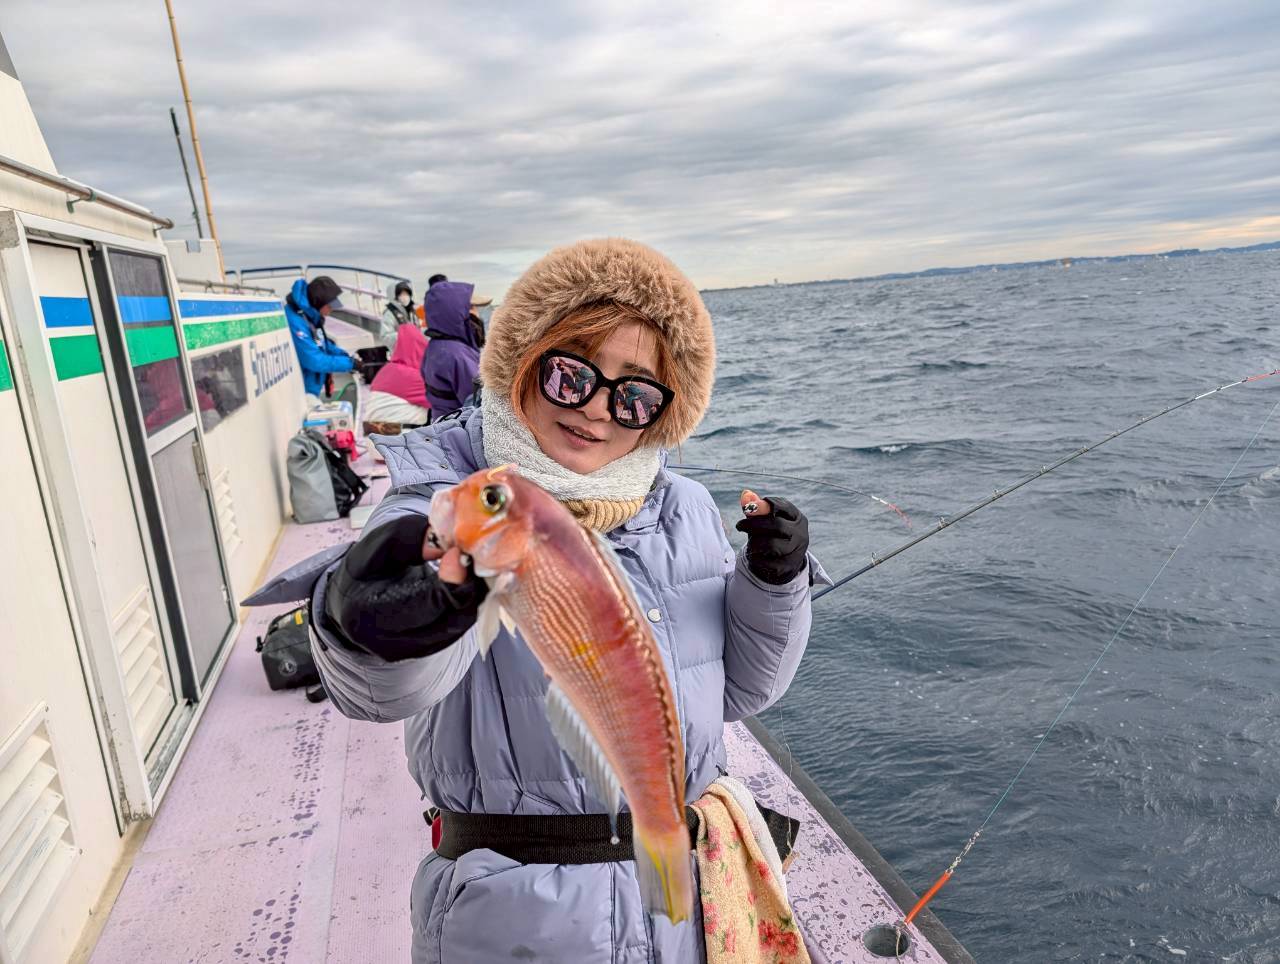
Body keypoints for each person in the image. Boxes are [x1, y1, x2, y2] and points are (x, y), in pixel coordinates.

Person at [307, 238, 824, 962]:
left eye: (635, 394)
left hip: (695, 904)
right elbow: (384, 691)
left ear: (664, 413)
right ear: (521, 360)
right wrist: (366, 624)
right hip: (523, 919)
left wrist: (774, 585)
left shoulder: (687, 509)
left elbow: (741, 689)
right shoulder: (446, 499)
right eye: (569, 375)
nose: (596, 411)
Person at [284, 275, 354, 399]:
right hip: (301, 393)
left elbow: (321, 343)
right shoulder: (296, 320)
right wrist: (350, 364)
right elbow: (314, 361)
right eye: (329, 306)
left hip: (311, 390)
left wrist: (347, 357)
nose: (331, 310)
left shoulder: (310, 317)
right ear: (317, 301)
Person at [419, 280, 480, 419]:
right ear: (456, 314)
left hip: (443, 422)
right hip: (458, 428)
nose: (477, 313)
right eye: (471, 307)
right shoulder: (458, 355)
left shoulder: (436, 346)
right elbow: (480, 402)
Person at [365, 319, 431, 427]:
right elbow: (444, 401)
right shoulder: (414, 377)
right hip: (396, 437)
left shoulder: (386, 370)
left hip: (372, 435)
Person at [379, 280, 416, 351]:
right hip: (400, 353)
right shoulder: (389, 314)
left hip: (415, 351)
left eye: (407, 294)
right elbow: (385, 337)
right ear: (394, 296)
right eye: (401, 294)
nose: (405, 297)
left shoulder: (412, 311)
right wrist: (404, 334)